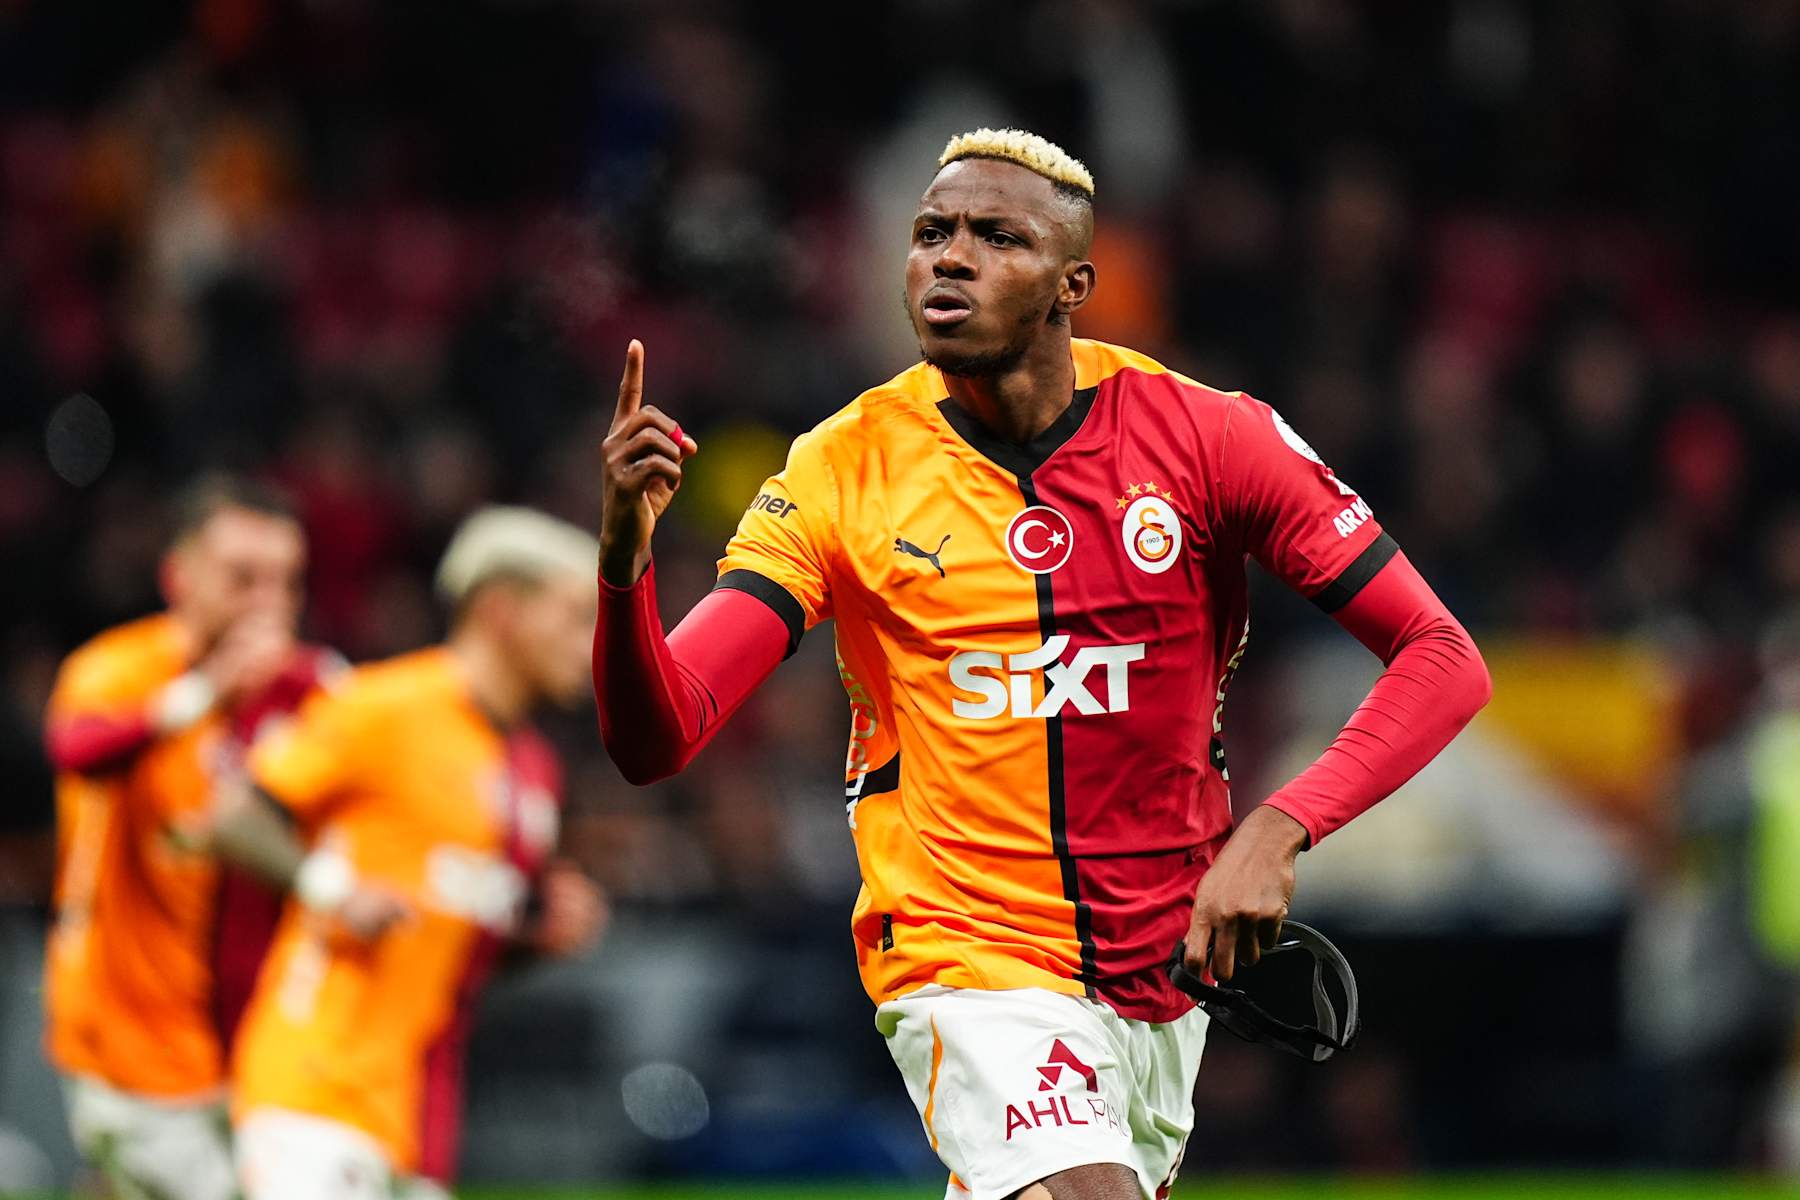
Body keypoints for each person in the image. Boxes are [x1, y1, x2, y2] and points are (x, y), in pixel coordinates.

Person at [594, 128, 1494, 1199]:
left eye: (997, 237)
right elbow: (659, 736)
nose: (951, 257)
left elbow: (1443, 657)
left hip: (1160, 976)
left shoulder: (1211, 439)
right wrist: (624, 567)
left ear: (1073, 285)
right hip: (965, 957)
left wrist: (1277, 827)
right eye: (932, 232)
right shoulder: (840, 470)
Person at [211, 505, 607, 1200]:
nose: (593, 647)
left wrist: (536, 938)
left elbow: (460, 942)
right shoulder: (385, 706)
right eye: (577, 617)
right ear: (501, 609)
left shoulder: (535, 772)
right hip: (314, 1086)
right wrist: (334, 891)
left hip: (418, 1116)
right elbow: (234, 817)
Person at [43, 473, 337, 1200]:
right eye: (243, 579)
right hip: (127, 1038)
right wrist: (204, 694)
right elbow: (77, 748)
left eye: (286, 582)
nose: (268, 603)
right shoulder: (121, 669)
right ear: (179, 577)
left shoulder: (309, 693)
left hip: (253, 1037)